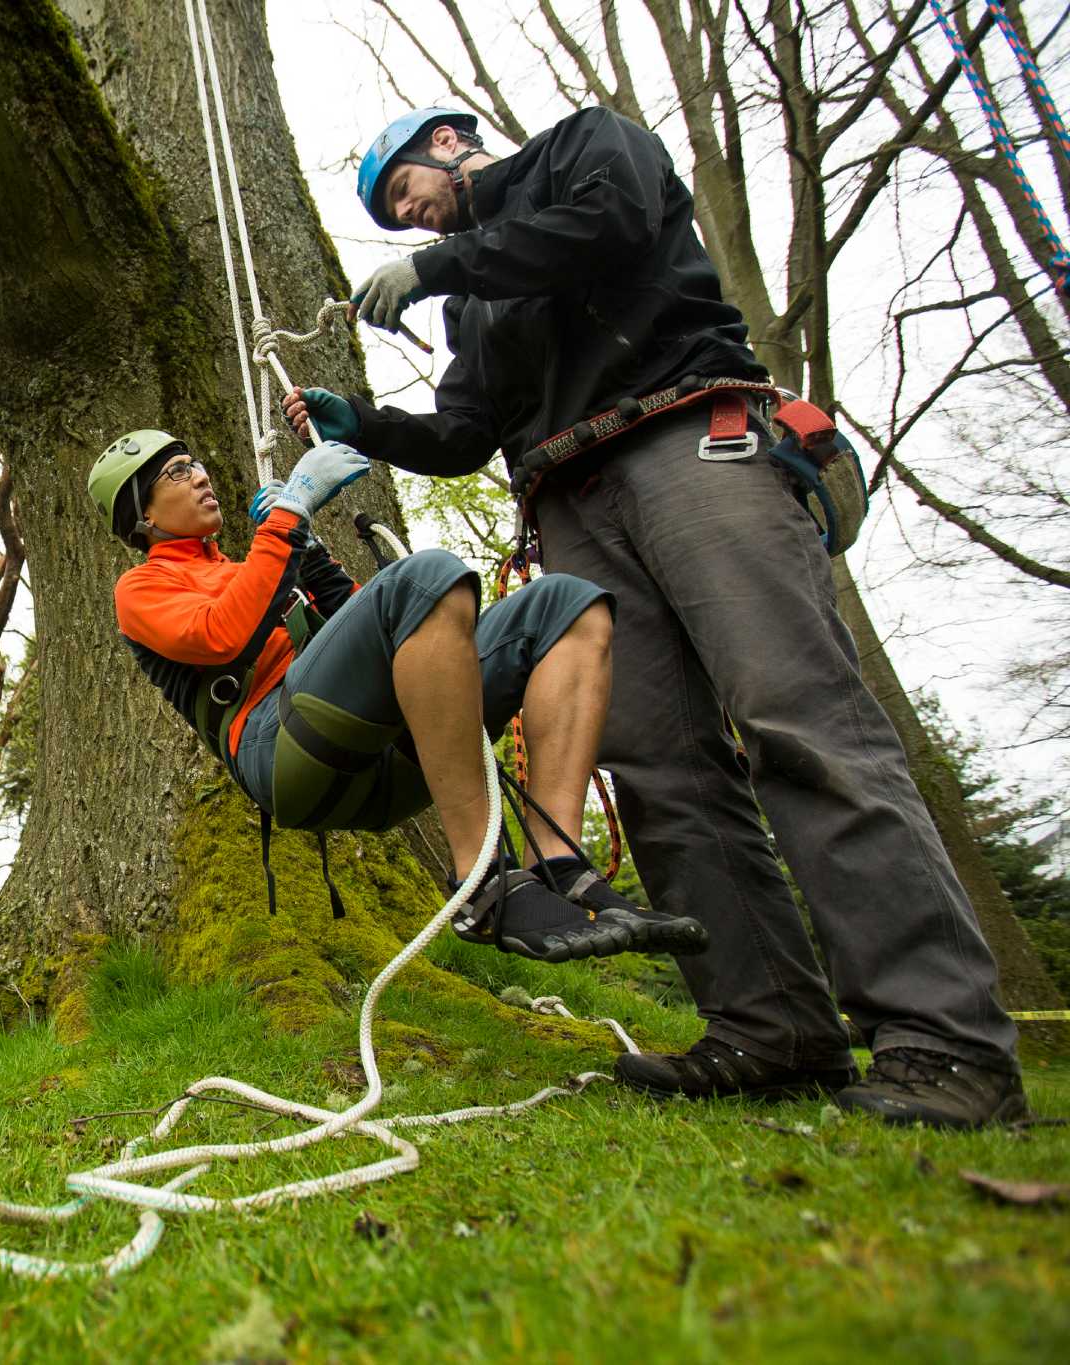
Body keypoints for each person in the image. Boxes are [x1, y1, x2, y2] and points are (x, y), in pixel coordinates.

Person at [282, 105, 1026, 1127]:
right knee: (655, 763)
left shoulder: (583, 150)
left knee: (789, 713)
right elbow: (463, 433)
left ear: (448, 141)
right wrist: (359, 423)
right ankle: (766, 1028)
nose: (406, 218)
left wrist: (447, 267)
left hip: (687, 439)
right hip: (568, 499)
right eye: (394, 217)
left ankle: (941, 1040)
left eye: (403, 190)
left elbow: (610, 225)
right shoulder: (473, 293)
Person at [89, 428, 710, 962]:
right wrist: (291, 515)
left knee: (567, 603)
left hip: (380, 746)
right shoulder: (142, 589)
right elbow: (221, 635)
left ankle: (559, 864)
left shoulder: (256, 562)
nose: (199, 475)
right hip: (284, 752)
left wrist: (310, 558)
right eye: (176, 472)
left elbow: (392, 634)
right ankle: (480, 879)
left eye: (193, 462)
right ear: (144, 516)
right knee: (426, 577)